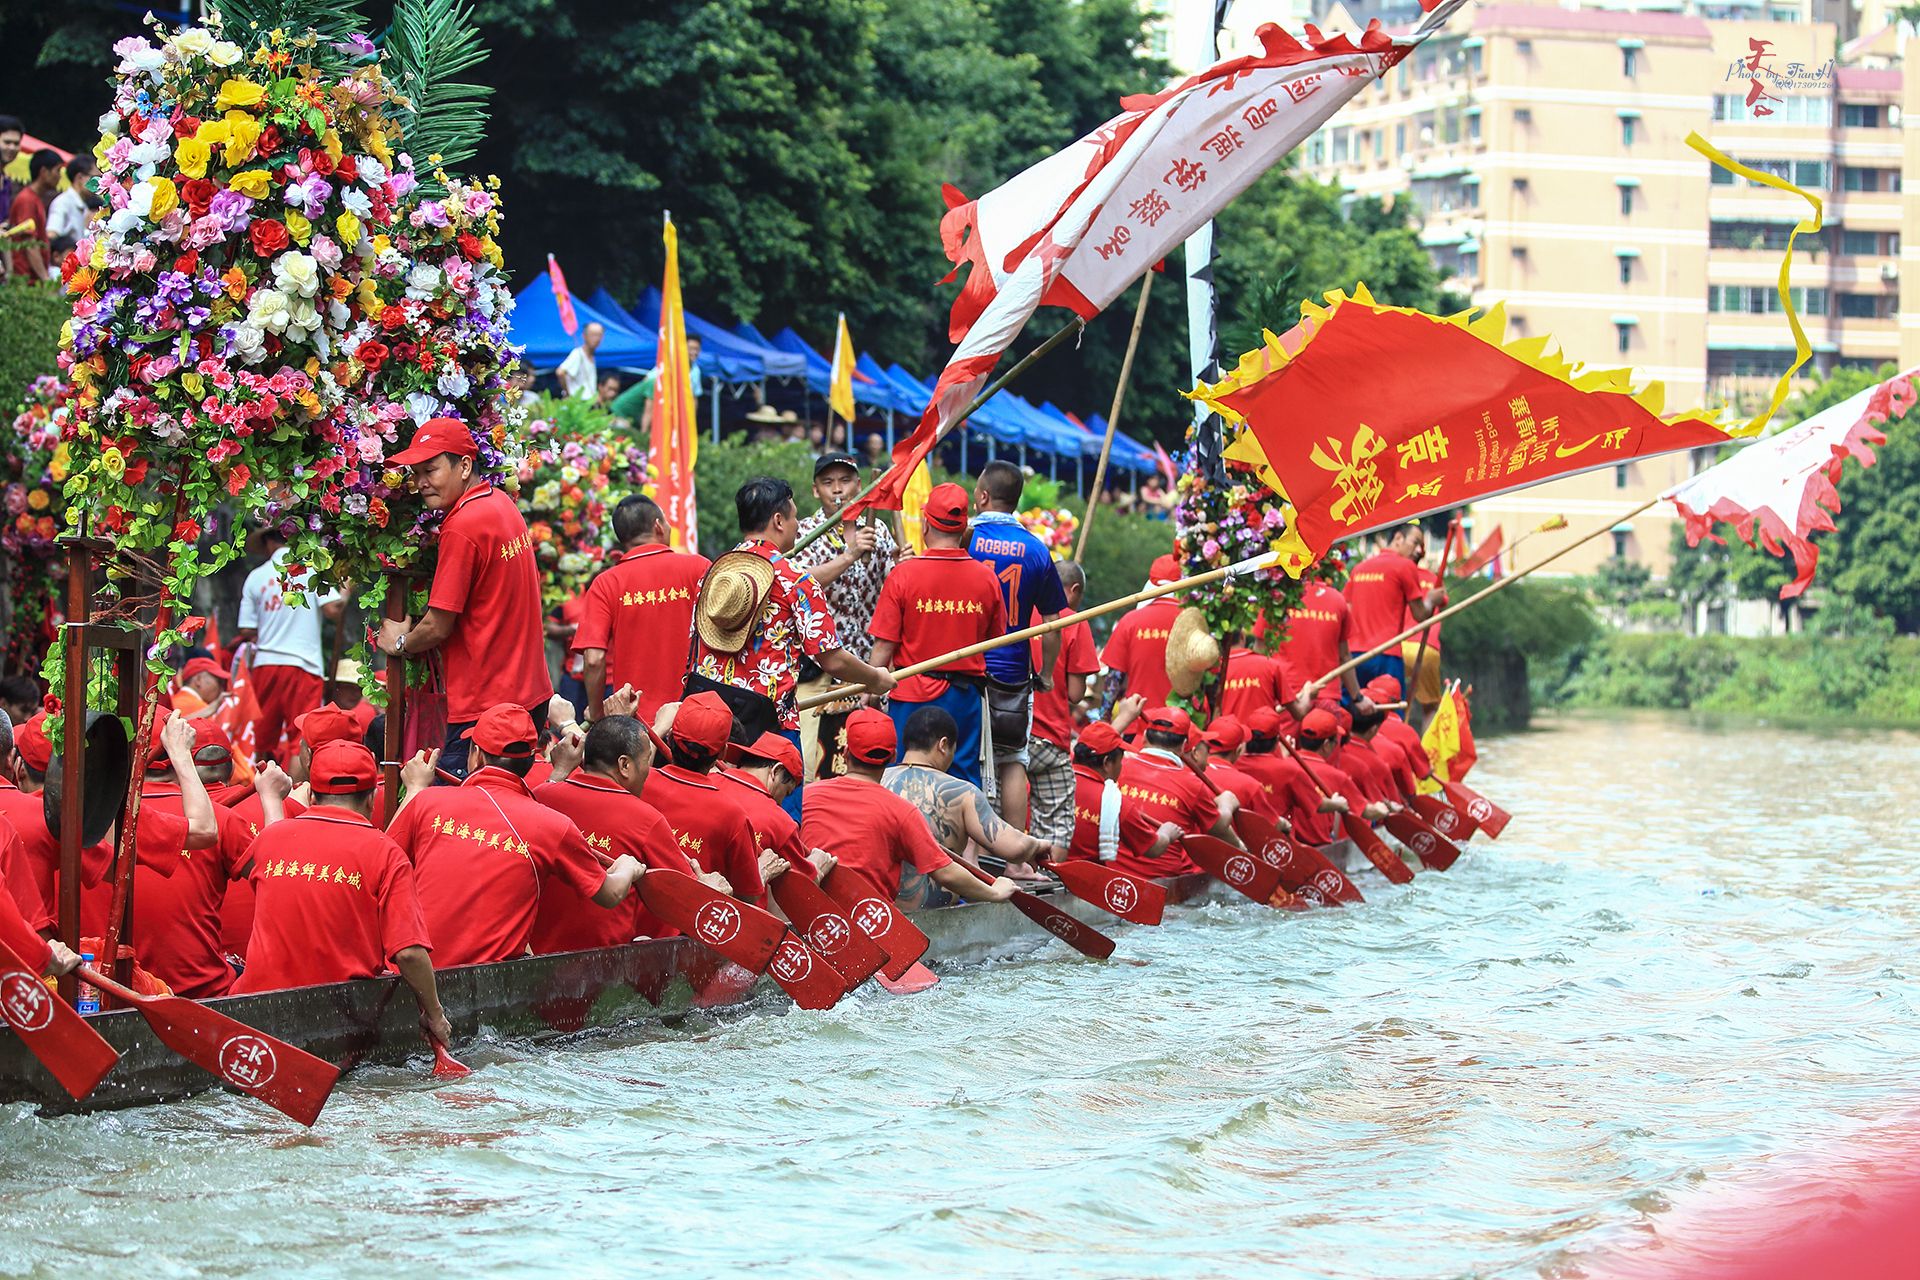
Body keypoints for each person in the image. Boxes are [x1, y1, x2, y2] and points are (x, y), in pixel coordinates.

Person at [386, 704, 645, 966]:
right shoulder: (553, 825)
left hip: (411, 974)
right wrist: (627, 868)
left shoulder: (428, 802)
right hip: (489, 988)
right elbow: (609, 894)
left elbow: (383, 863)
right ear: (532, 761)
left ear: (476, 756)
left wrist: (415, 790)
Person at [228, 742, 451, 1037]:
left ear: (311, 794)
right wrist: (434, 1015)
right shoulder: (386, 853)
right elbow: (409, 953)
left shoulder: (270, 838)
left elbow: (255, 870)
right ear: (372, 798)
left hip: (252, 1014)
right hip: (337, 1022)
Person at [376, 418, 552, 781]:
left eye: (431, 469)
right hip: (529, 695)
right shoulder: (501, 504)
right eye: (416, 473)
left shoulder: (463, 525)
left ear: (465, 465)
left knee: (462, 820)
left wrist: (400, 642)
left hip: (486, 710)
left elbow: (440, 624)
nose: (421, 482)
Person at [687, 477, 895, 761]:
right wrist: (874, 678)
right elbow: (831, 659)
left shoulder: (713, 573)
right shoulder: (794, 580)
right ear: (778, 521)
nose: (797, 525)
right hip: (766, 731)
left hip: (704, 722)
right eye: (794, 517)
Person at [534, 714, 717, 950]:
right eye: (646, 759)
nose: (648, 770)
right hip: (607, 966)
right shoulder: (646, 819)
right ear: (624, 765)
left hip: (534, 959)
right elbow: (686, 899)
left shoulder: (541, 796)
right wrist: (711, 889)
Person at [800, 710, 1018, 908]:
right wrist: (994, 892)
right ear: (894, 757)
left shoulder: (807, 795)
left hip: (808, 911)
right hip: (870, 923)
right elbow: (945, 873)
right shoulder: (901, 811)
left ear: (846, 754)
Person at [133, 718, 288, 996]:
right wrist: (274, 802)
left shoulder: (88, 817)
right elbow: (280, 882)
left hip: (102, 988)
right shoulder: (222, 818)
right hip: (201, 992)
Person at [868, 483, 1004, 789]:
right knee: (962, 784)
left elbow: (884, 646)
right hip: (964, 699)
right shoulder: (986, 578)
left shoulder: (903, 575)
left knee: (904, 779)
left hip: (911, 696)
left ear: (926, 524)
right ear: (965, 529)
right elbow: (993, 638)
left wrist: (870, 692)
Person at [967, 460, 1067, 826]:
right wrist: (1047, 673)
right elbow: (1054, 624)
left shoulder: (965, 539)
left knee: (964, 758)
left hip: (964, 668)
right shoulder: (1037, 549)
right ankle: (1014, 860)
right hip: (1012, 675)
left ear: (982, 495)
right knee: (1013, 761)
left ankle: (969, 860)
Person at [790, 452, 897, 783]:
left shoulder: (876, 529)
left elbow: (892, 595)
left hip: (866, 670)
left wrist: (902, 564)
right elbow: (797, 585)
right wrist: (850, 556)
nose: (838, 490)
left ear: (860, 485)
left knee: (864, 770)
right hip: (818, 670)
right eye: (828, 483)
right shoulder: (803, 533)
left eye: (845, 481)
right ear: (815, 491)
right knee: (809, 766)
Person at [883, 707, 1063, 905]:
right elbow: (1015, 848)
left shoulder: (877, 782)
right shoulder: (960, 792)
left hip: (881, 916)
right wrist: (1038, 845)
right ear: (943, 745)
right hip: (941, 920)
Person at [572, 495, 710, 726]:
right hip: (694, 717)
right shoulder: (699, 568)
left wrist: (597, 714)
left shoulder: (606, 583)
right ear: (658, 525)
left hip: (634, 723)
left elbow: (594, 659)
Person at [640, 693, 773, 905]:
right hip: (687, 929)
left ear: (671, 737)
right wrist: (762, 870)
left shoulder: (638, 783)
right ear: (723, 753)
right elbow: (747, 896)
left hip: (622, 926)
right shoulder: (732, 814)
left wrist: (657, 727)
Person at [236, 526, 345, 764]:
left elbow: (246, 629)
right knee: (301, 739)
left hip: (265, 665)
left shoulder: (256, 576)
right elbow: (332, 609)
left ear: (268, 543)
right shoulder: (311, 569)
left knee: (263, 740)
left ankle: (259, 796)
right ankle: (298, 797)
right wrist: (346, 593)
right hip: (302, 664)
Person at [1115, 707, 1241, 879]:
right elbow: (1217, 827)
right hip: (1164, 883)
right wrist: (1227, 804)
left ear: (1144, 737)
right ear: (1184, 747)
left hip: (1112, 876)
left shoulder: (1119, 765)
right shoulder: (1191, 783)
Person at [1028, 559, 1099, 852]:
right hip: (1049, 740)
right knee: (1055, 822)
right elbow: (1075, 694)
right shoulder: (1073, 621)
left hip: (1009, 731)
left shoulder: (1020, 611)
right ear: (1074, 590)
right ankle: (1050, 880)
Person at [714, 732, 834, 885]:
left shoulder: (706, 782)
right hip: (739, 905)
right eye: (786, 792)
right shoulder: (779, 821)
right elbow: (804, 884)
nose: (781, 802)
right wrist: (817, 865)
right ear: (776, 771)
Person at [1340, 524, 1443, 700]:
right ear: (1398, 538)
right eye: (1415, 542)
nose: (1419, 551)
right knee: (1390, 717)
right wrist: (1431, 600)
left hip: (1354, 657)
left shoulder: (1359, 569)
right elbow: (1420, 615)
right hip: (1386, 655)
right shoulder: (1405, 566)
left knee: (1354, 717)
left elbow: (1345, 612)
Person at [1066, 721, 1182, 867]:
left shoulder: (1050, 782)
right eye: (1120, 761)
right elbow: (1153, 848)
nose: (1121, 767)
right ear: (1107, 763)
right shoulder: (1114, 803)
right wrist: (1167, 834)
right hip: (1082, 881)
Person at [1099, 555, 1183, 713]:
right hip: (1180, 725)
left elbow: (1114, 679)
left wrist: (1104, 719)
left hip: (1136, 722)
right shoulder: (1194, 622)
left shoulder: (1130, 621)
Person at [1273, 574, 1369, 710]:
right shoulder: (1337, 599)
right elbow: (1344, 656)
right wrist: (1357, 698)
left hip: (1286, 697)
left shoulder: (1275, 598)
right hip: (1324, 697)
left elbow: (1260, 651)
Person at [1401, 560, 1448, 718]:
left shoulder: (1397, 573)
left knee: (1394, 699)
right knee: (1430, 706)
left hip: (1397, 646)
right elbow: (1443, 602)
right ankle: (1428, 743)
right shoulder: (1434, 578)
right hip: (1427, 647)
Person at [632, 334, 705, 434]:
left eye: (697, 349)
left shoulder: (696, 371)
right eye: (691, 348)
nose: (694, 352)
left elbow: (694, 397)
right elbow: (647, 382)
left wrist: (691, 423)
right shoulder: (669, 363)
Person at [7, 148, 59, 281]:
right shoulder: (27, 200)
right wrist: (45, 278)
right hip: (25, 280)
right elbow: (30, 243)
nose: (59, 176)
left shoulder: (35, 199)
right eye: (57, 170)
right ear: (43, 172)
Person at [45, 153, 94, 259]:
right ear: (80, 177)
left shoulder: (84, 205)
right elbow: (51, 235)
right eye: (95, 177)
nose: (99, 183)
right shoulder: (62, 202)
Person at [555, 322, 603, 400]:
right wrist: (568, 393)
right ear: (584, 336)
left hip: (589, 401)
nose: (597, 338)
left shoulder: (591, 356)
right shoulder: (578, 354)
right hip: (579, 401)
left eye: (599, 335)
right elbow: (560, 372)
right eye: (593, 335)